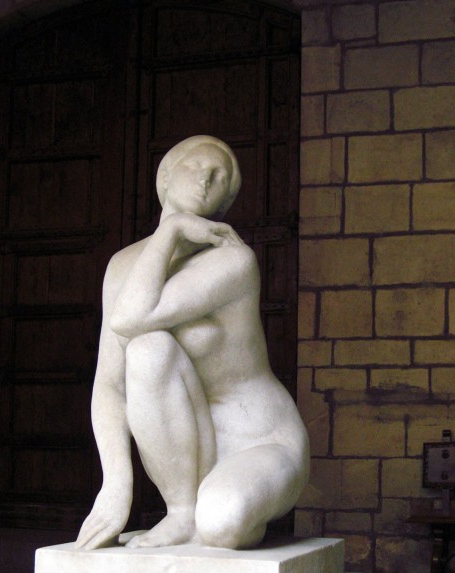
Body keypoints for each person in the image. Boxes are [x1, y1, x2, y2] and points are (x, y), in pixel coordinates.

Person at [75, 135, 309, 551]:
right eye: (197, 166)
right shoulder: (122, 266)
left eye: (219, 178)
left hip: (259, 439)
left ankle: (217, 512)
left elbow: (130, 317)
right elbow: (110, 385)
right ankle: (182, 512)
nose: (206, 179)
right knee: (147, 350)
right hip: (189, 449)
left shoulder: (232, 260)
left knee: (221, 523)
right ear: (164, 175)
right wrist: (115, 485)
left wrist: (172, 229)